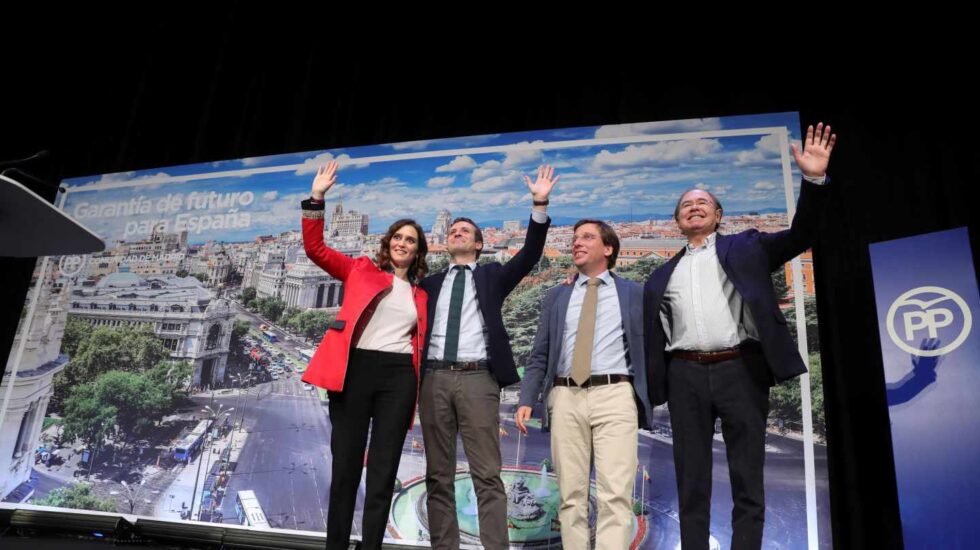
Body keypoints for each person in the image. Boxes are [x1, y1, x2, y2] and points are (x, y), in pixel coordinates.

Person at [644, 123, 836, 550]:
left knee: (747, 477)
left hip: (741, 370)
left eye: (703, 202)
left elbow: (803, 234)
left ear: (718, 215)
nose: (694, 207)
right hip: (684, 376)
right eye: (686, 205)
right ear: (677, 220)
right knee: (690, 480)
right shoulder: (661, 274)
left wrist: (814, 179)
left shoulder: (748, 247)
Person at [418, 165, 558, 550]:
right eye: (452, 231)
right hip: (432, 378)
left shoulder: (493, 276)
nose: (456, 233)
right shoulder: (428, 283)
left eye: (464, 231)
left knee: (487, 475)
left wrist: (539, 203)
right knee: (438, 476)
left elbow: (530, 254)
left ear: (479, 244)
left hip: (479, 379)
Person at [299, 160, 429, 550]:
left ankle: (371, 545)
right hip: (355, 371)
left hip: (399, 377)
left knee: (384, 471)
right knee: (346, 469)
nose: (402, 243)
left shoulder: (422, 294)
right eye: (398, 237)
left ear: (418, 250)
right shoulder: (360, 270)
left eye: (411, 240)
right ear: (388, 243)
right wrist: (317, 197)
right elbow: (315, 248)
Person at [515, 219, 653, 549]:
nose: (576, 243)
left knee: (615, 496)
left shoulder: (635, 294)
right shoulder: (556, 296)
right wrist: (526, 398)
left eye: (587, 237)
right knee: (571, 496)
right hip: (564, 396)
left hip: (616, 395)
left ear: (608, 249)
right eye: (575, 238)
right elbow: (540, 352)